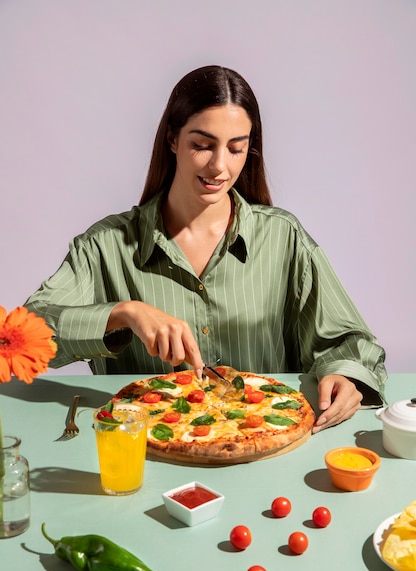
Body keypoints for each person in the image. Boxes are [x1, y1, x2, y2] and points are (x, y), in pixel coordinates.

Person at [24, 65, 387, 433]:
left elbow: (350, 342)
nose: (219, 166)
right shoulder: (105, 246)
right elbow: (23, 336)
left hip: (266, 449)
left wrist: (345, 376)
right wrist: (123, 313)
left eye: (236, 149)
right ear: (172, 139)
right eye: (202, 145)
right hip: (148, 460)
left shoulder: (283, 236)